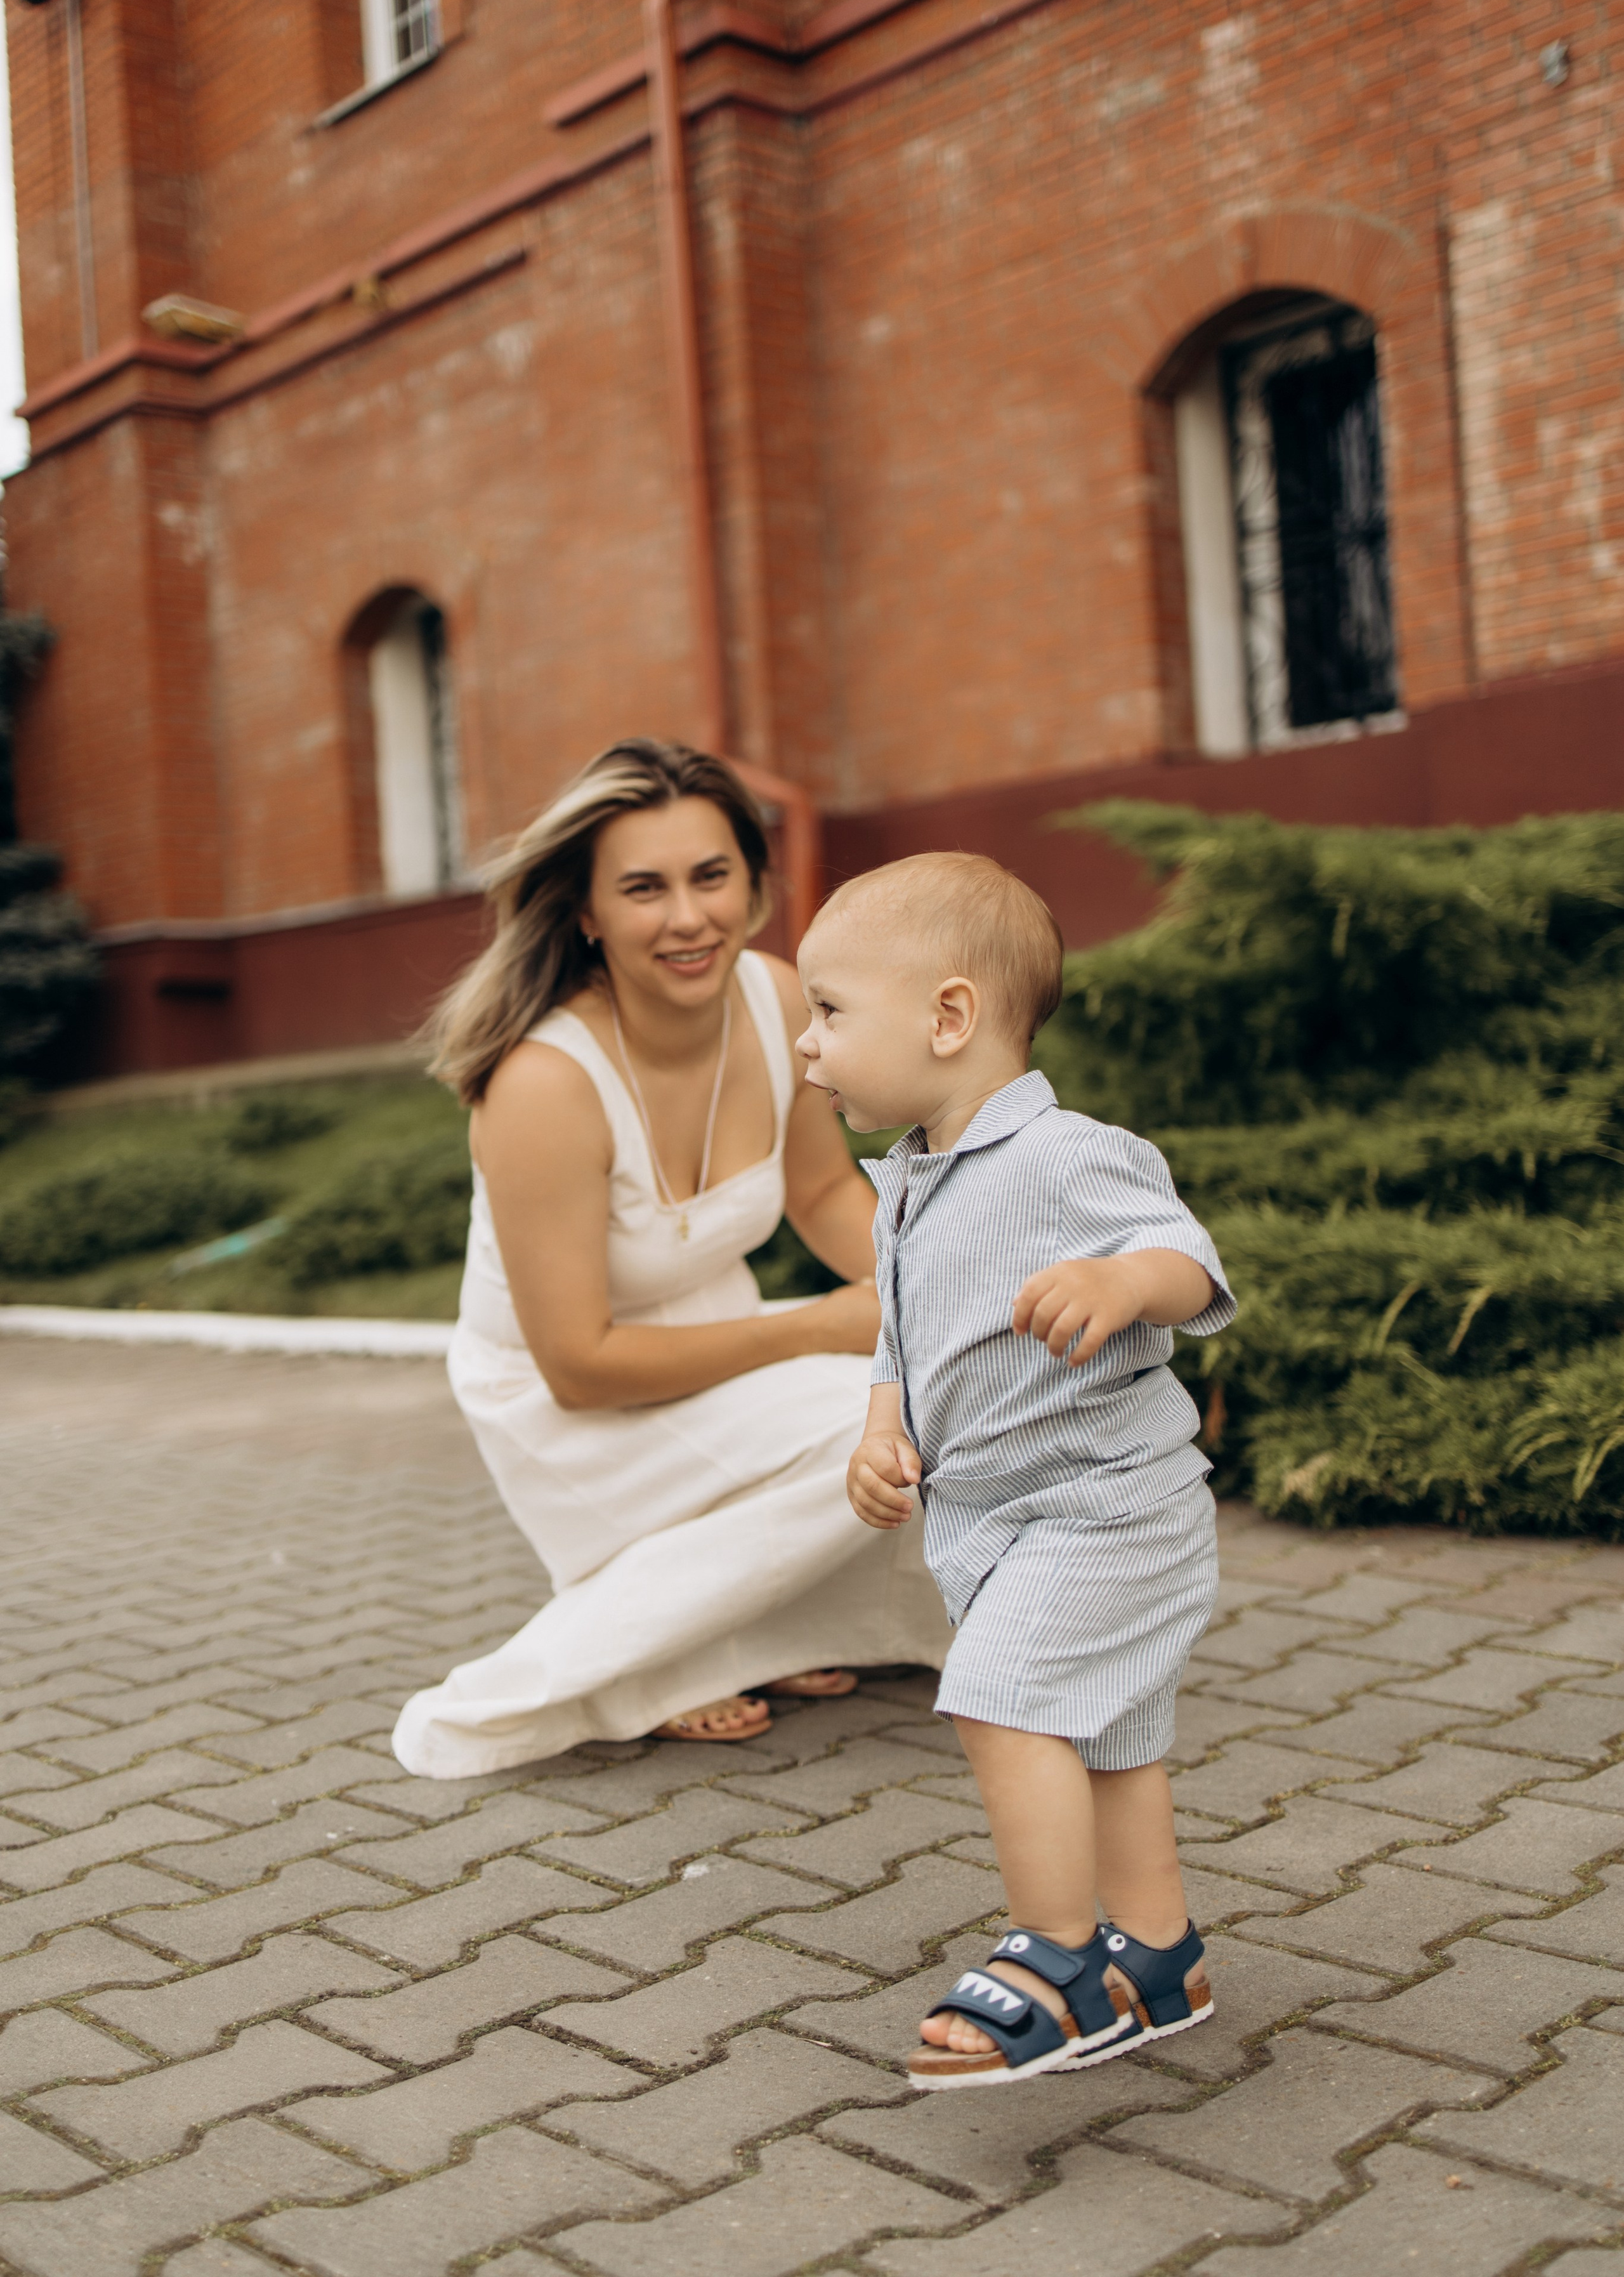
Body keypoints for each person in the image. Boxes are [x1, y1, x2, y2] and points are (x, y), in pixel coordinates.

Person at [392, 742, 949, 1777]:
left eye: (711, 876)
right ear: (588, 913)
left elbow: (822, 1190)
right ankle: (644, 1668)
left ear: (753, 884)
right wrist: (830, 1326)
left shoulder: (779, 999)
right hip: (570, 1404)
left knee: (932, 1387)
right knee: (869, 1410)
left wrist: (928, 1282)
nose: (688, 918)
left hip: (715, 1338)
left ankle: (766, 1634)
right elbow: (579, 1363)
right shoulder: (543, 1085)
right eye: (644, 888)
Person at [794, 850, 1236, 2089]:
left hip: (1106, 1511)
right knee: (1110, 1745)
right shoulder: (907, 1190)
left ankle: (1054, 1959)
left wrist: (1117, 1281)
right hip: (996, 1521)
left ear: (948, 1016)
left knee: (1001, 1700)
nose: (805, 1046)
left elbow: (1184, 1263)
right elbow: (901, 1334)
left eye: (828, 1012)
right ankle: (1158, 1955)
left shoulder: (1061, 1157)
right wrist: (881, 1428)